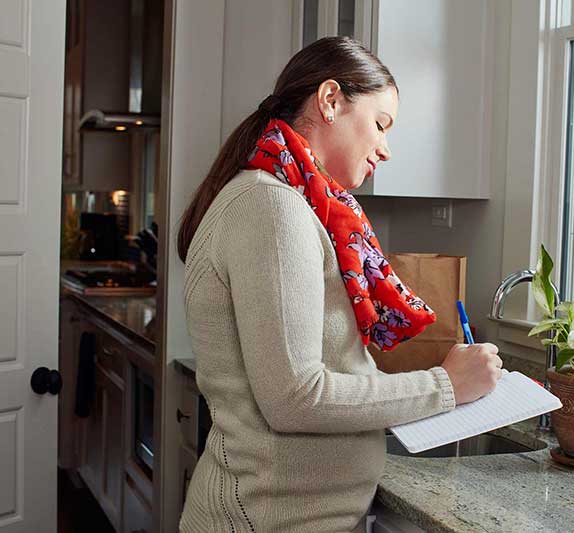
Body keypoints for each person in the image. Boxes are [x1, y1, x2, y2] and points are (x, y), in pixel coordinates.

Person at [177, 36, 503, 532]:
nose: (386, 149)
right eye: (380, 124)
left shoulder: (292, 204)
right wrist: (446, 385)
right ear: (330, 101)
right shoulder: (273, 208)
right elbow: (295, 398)